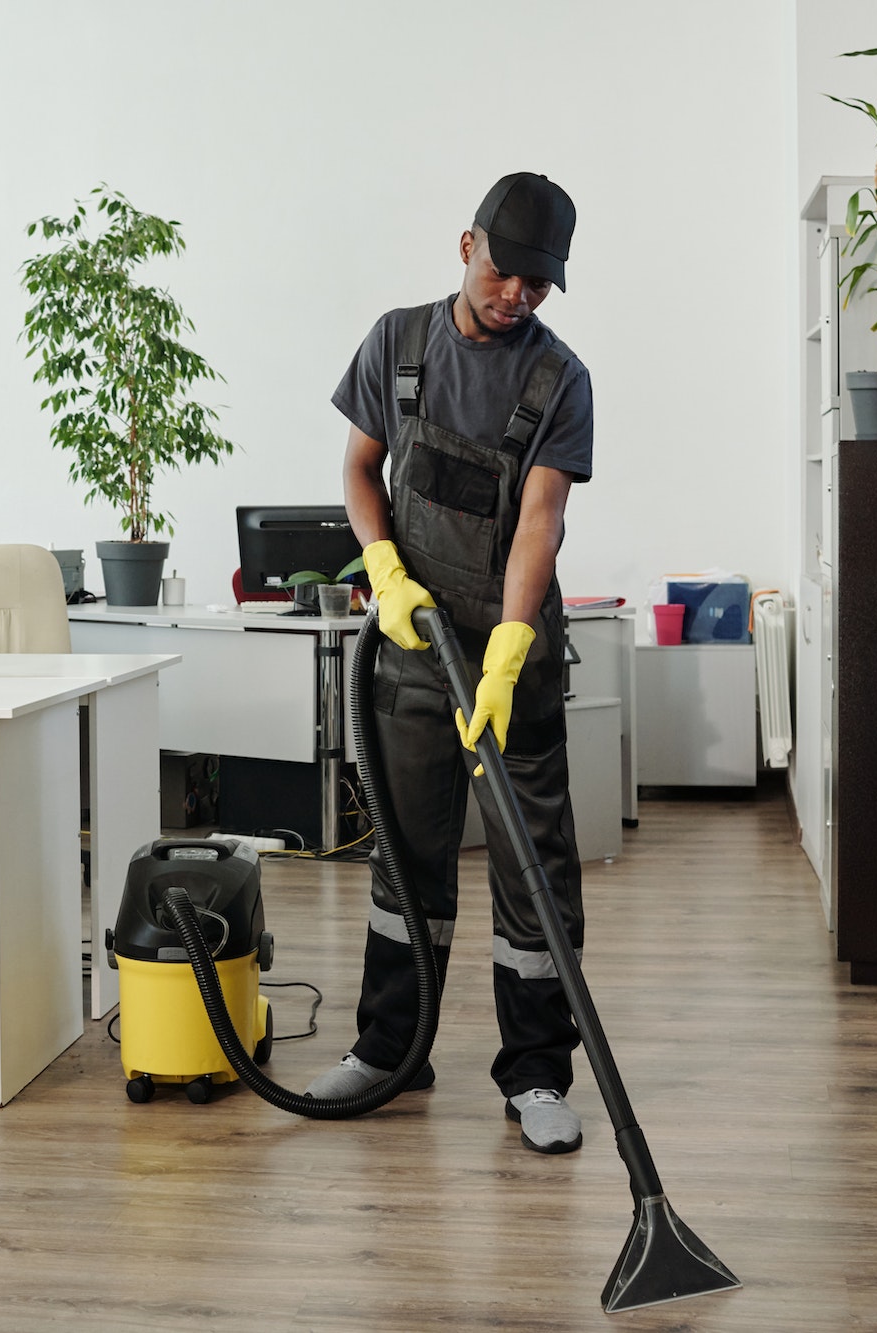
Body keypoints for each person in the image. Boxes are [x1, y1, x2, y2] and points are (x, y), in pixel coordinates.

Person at [304, 173, 594, 1155]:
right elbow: (356, 467)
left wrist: (510, 646)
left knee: (533, 877)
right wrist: (382, 569)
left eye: (537, 284)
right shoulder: (397, 341)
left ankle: (536, 1075)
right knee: (406, 862)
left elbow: (538, 523)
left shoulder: (558, 380)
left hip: (508, 654)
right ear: (465, 244)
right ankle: (388, 1052)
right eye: (505, 270)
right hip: (413, 648)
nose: (517, 294)